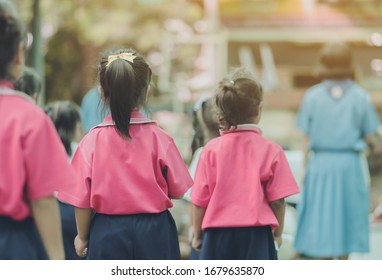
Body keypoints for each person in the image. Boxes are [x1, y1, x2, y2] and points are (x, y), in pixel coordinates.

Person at [57, 48, 193, 260]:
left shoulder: (90, 142)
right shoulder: (160, 138)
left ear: (102, 92)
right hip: (155, 232)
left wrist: (82, 237)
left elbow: (81, 200)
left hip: (106, 232)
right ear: (146, 91)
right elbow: (177, 191)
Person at [0, 0, 77, 260]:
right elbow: (43, 200)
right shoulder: (30, 116)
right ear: (18, 54)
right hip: (11, 243)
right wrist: (57, 263)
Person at [191, 71, 300, 260]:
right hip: (256, 235)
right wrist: (278, 233)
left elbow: (200, 201)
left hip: (217, 236)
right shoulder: (272, 150)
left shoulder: (210, 150)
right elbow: (278, 201)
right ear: (258, 109)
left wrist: (198, 236)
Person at [294, 42, 381, 260]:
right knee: (347, 221)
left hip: (320, 165)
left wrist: (305, 169)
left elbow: (306, 137)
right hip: (349, 165)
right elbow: (371, 136)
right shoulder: (360, 96)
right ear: (349, 64)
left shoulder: (312, 96)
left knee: (321, 220)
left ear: (322, 64)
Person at [44, 100, 85, 260]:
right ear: (71, 127)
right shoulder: (79, 149)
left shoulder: (41, 150)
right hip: (73, 214)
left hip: (48, 209)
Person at [184, 96, 220, 259]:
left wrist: (193, 228)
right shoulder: (233, 149)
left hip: (205, 229)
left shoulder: (202, 154)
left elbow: (195, 199)